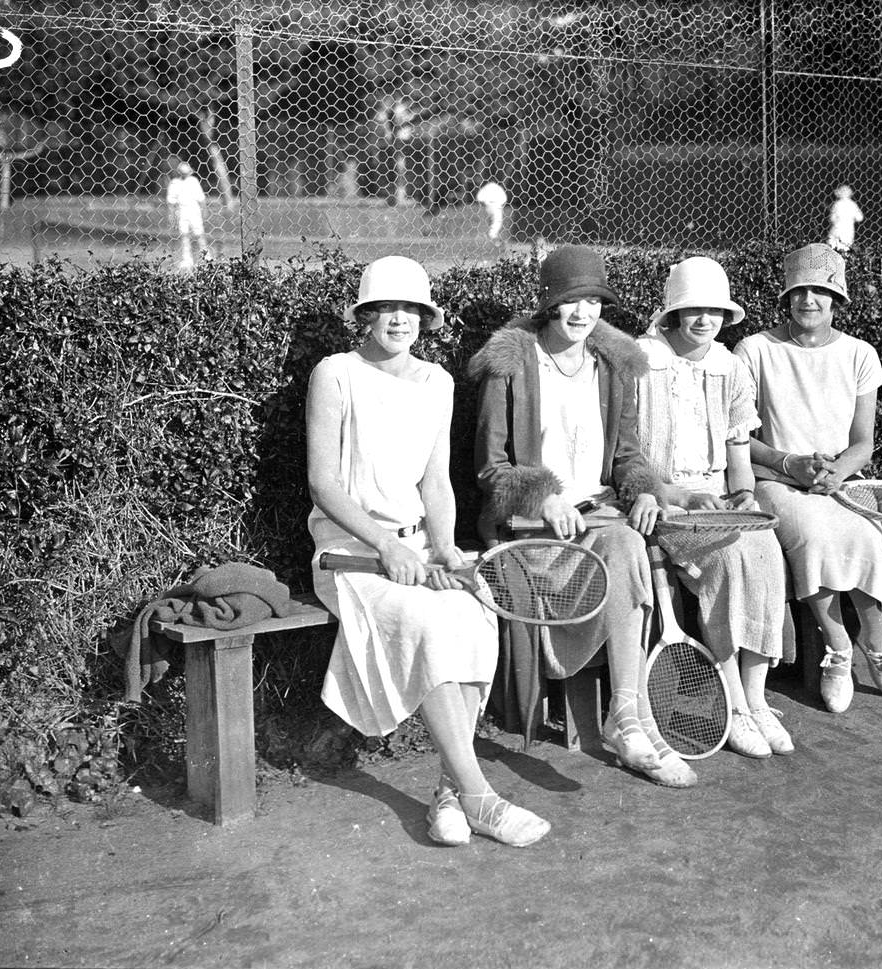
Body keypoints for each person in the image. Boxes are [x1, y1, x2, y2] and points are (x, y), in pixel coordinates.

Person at [307, 255, 549, 847]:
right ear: (364, 317)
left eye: (410, 309)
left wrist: (443, 548)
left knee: (474, 612)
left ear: (425, 317)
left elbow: (436, 481)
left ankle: (447, 789)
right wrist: (386, 545)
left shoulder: (437, 382)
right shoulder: (334, 373)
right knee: (425, 623)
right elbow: (324, 484)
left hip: (416, 549)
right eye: (386, 308)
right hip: (348, 554)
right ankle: (479, 797)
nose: (399, 319)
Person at [469, 245, 694, 788]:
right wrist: (543, 497)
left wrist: (643, 490)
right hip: (534, 530)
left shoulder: (613, 365)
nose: (582, 313)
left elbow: (628, 455)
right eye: (571, 301)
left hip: (603, 518)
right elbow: (490, 468)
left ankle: (623, 715)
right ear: (549, 304)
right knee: (624, 549)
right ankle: (631, 720)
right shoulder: (511, 365)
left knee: (625, 543)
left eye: (594, 301)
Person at [734, 243, 882, 714]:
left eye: (821, 290)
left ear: (837, 299)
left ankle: (876, 641)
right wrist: (792, 465)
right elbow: (739, 438)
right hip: (777, 482)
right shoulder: (754, 350)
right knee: (811, 536)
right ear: (787, 297)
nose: (809, 299)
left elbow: (863, 442)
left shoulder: (860, 354)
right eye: (799, 290)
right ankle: (838, 648)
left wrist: (836, 473)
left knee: (866, 534)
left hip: (840, 483)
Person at [634, 257, 794, 758]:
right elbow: (626, 453)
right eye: (693, 310)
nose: (704, 320)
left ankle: (757, 698)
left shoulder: (729, 365)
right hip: (666, 504)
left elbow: (738, 454)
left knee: (764, 549)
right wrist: (669, 494)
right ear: (673, 314)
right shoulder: (642, 360)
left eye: (714, 311)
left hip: (720, 499)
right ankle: (733, 704)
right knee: (728, 560)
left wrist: (743, 495)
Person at [165, 161, 209, 270]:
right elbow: (171, 202)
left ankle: (206, 257)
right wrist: (171, 215)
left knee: (199, 234)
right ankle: (187, 259)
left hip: (194, 210)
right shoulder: (174, 183)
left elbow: (201, 198)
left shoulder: (194, 181)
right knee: (184, 235)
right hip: (181, 211)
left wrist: (204, 210)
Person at [826, 184, 864, 253]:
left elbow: (832, 218)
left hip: (837, 229)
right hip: (848, 230)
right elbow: (860, 218)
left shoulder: (837, 204)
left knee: (832, 249)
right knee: (845, 250)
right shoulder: (853, 204)